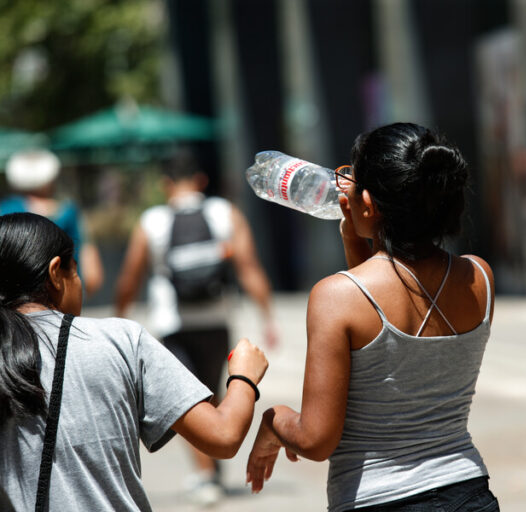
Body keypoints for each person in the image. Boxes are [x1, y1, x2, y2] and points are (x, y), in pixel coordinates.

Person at [245, 123, 500, 511]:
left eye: (352, 177)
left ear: (367, 203)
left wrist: (273, 422)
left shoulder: (336, 296)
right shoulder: (479, 278)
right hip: (468, 492)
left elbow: (316, 440)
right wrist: (355, 237)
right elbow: (395, 298)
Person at [0, 212, 268, 512]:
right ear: (55, 274)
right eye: (75, 272)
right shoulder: (119, 339)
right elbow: (223, 435)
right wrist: (244, 377)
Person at [114, 150, 277, 505]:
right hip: (217, 320)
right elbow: (249, 268)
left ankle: (206, 475)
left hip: (174, 323)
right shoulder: (225, 213)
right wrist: (268, 318)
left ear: (165, 184)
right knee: (212, 390)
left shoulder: (152, 221)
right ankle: (211, 467)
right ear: (201, 181)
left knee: (189, 399)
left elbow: (129, 277)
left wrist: (118, 317)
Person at [0, 149, 104, 296]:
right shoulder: (68, 211)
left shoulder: (5, 210)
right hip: (62, 295)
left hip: (13, 301)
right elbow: (92, 272)